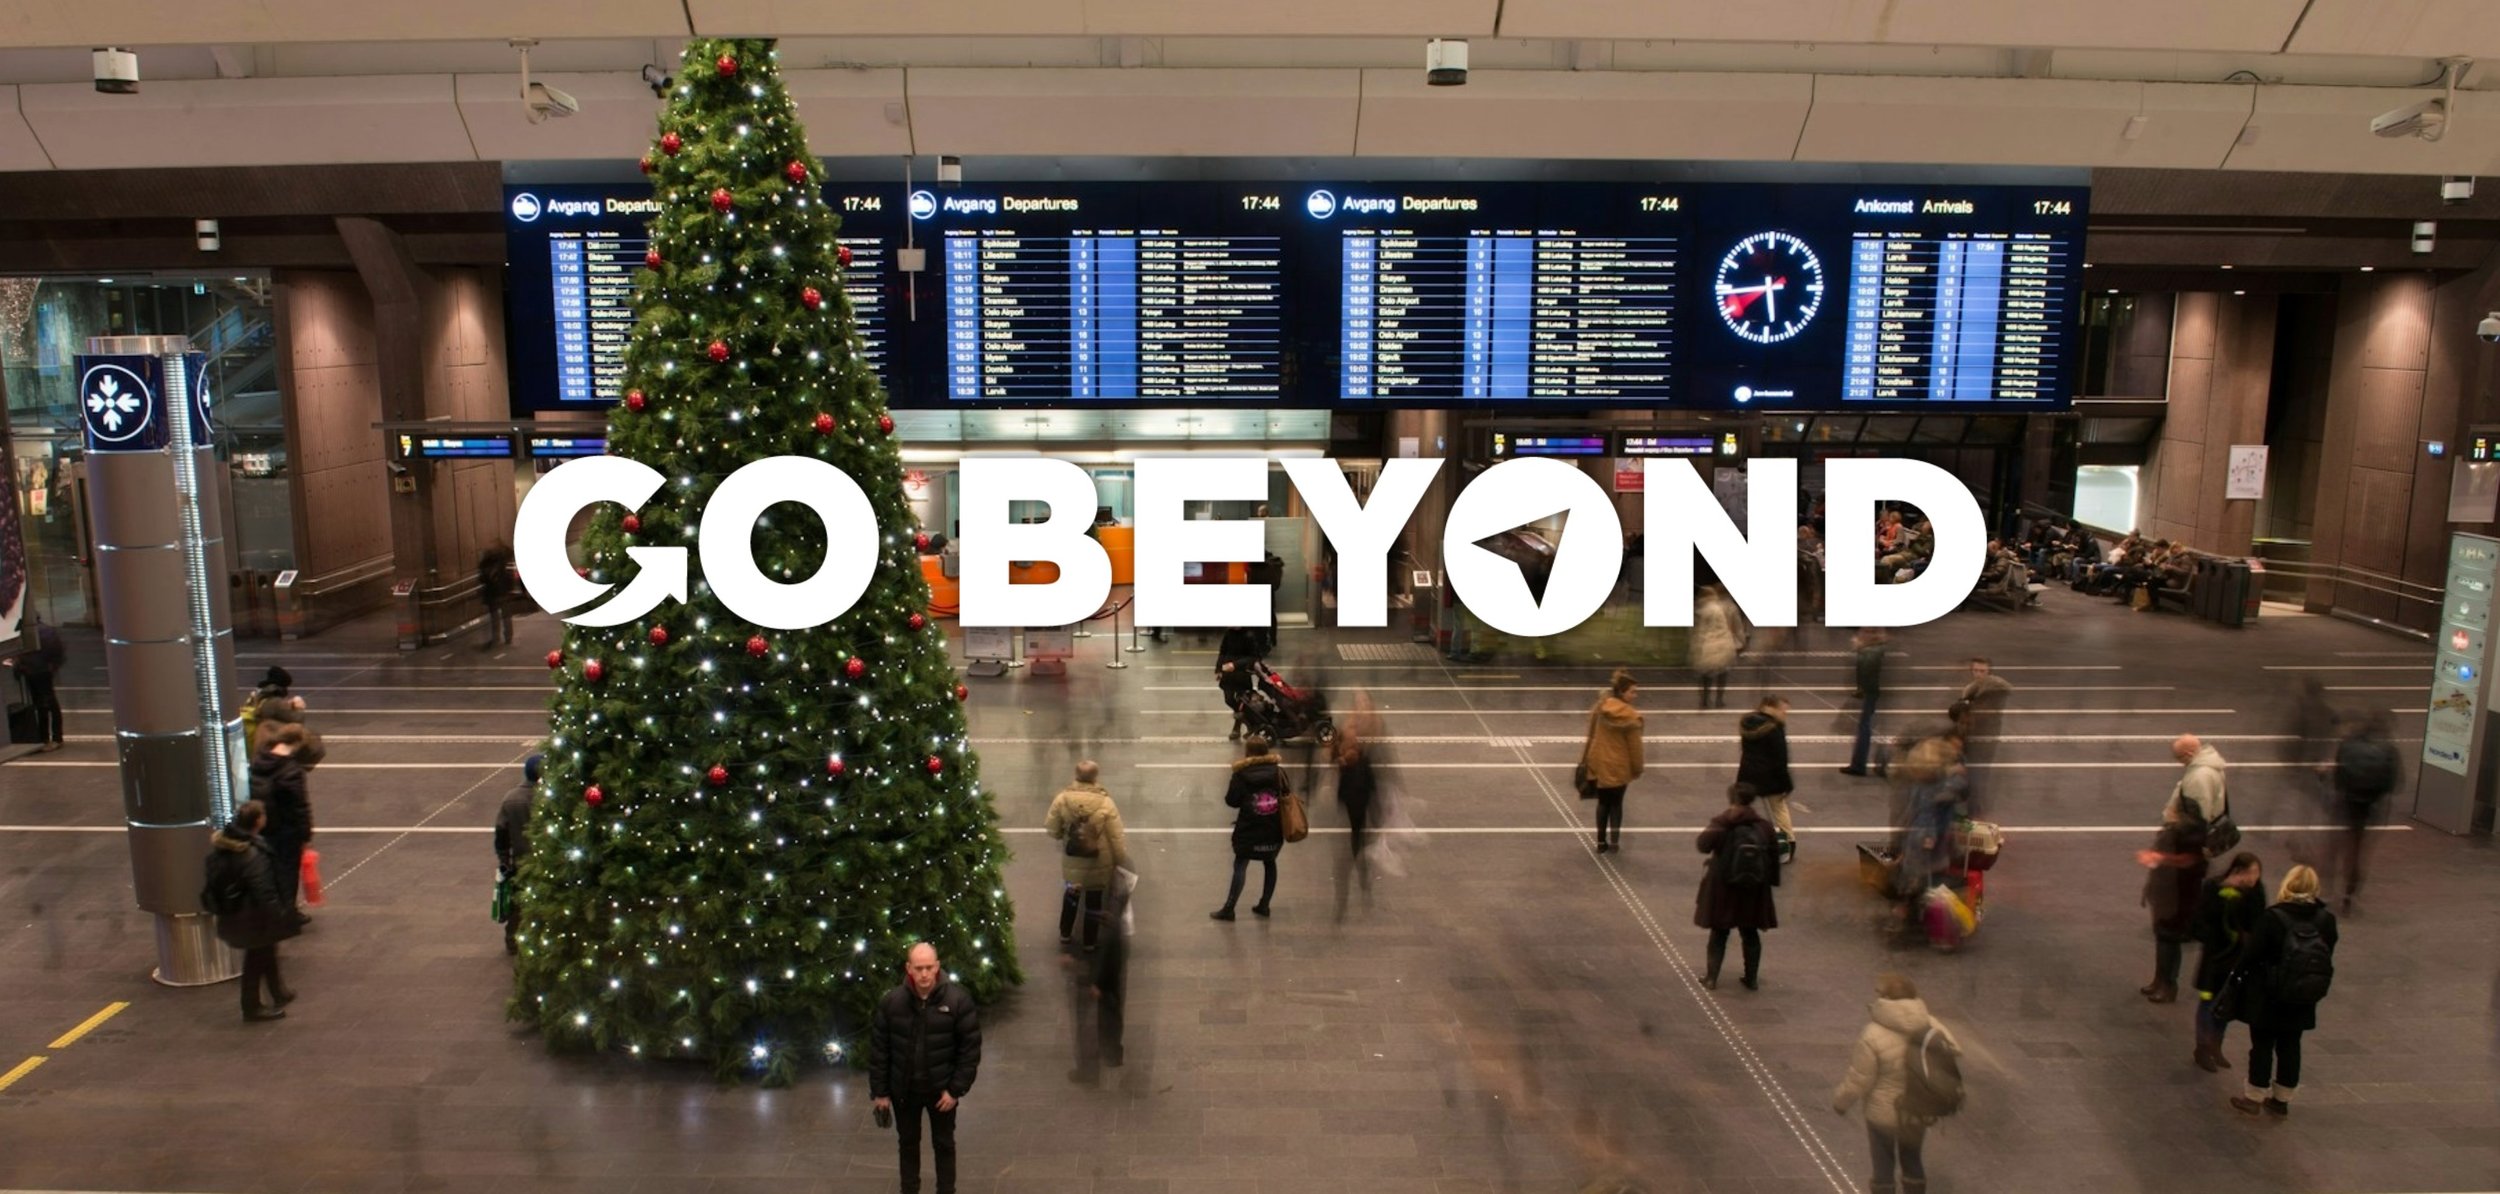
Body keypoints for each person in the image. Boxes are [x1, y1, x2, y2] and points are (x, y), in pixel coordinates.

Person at [869, 942, 983, 1194]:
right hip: (904, 1091)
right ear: (908, 968)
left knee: (944, 1144)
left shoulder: (958, 1002)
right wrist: (881, 1092)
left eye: (929, 967)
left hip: (941, 1093)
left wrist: (955, 1091)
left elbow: (970, 1051)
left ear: (938, 967)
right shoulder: (891, 1003)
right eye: (918, 968)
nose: (924, 974)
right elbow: (880, 1050)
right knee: (907, 1144)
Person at [1832, 973, 1959, 1194]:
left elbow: (1860, 1079)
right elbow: (1954, 1049)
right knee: (1912, 1159)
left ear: (1885, 1000)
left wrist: (1841, 1102)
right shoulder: (1928, 1023)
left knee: (1883, 1164)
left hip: (1882, 1113)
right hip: (1916, 1108)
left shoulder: (1872, 1034)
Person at [2228, 866, 2338, 1117]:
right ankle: (2282, 1099)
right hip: (2303, 993)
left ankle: (2254, 1095)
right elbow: (2327, 952)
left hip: (2269, 993)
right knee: (2291, 1043)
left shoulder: (2273, 917)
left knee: (2263, 1043)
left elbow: (2252, 954)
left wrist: (2237, 977)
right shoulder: (2325, 920)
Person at [201, 800, 302, 1022]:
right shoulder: (252, 855)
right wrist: (279, 916)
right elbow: (263, 890)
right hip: (252, 917)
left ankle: (278, 991)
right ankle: (251, 1006)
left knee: (266, 950)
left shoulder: (225, 847)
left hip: (235, 914)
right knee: (256, 959)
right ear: (258, 821)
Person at [1694, 783, 1781, 991]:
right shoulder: (1764, 827)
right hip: (1753, 890)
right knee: (1750, 934)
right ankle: (1751, 979)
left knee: (1719, 934)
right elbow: (1774, 858)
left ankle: (1712, 978)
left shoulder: (1723, 823)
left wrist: (1722, 821)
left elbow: (1702, 845)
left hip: (1724, 888)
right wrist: (1771, 883)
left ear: (1731, 799)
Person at [1043, 760, 1129, 952]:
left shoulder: (1062, 799)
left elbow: (1051, 828)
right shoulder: (1106, 802)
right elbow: (1116, 835)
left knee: (1071, 894)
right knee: (1094, 900)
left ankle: (1065, 933)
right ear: (1095, 778)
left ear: (1076, 775)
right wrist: (1120, 859)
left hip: (1072, 859)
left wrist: (1062, 836)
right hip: (1099, 860)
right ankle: (1089, 942)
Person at [2192, 852, 2264, 1073]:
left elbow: (2258, 920)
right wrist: (2226, 895)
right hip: (2214, 961)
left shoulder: (2255, 892)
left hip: (2237, 960)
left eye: (2257, 873)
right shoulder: (2213, 888)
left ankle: (2216, 1046)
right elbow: (2202, 919)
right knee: (2208, 1003)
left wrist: (2244, 895)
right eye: (2251, 872)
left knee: (2226, 1004)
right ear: (2237, 871)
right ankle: (2203, 1048)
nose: (2254, 877)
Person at [2136, 800, 2209, 1004]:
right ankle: (2160, 980)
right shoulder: (2184, 835)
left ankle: (2167, 984)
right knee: (2164, 939)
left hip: (2176, 898)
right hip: (2169, 895)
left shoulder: (2186, 837)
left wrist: (2158, 857)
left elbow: (2185, 862)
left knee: (2169, 939)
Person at [2328, 712, 2399, 911]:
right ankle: (2350, 892)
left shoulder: (2348, 744)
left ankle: (2329, 885)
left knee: (2340, 844)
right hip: (2371, 806)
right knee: (2359, 850)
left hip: (2348, 802)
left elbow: (2338, 775)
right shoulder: (2389, 750)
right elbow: (2393, 783)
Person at [1211, 735, 1287, 920]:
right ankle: (1264, 905)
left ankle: (1229, 908)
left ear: (1248, 753)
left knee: (1240, 864)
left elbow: (1232, 801)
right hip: (1273, 827)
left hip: (1248, 828)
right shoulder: (1278, 772)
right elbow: (1287, 794)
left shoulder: (1241, 774)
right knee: (1270, 862)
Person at [1579, 670, 1645, 853]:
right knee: (1616, 804)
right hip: (1620, 766)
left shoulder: (1600, 708)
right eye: (1632, 691)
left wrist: (1586, 758)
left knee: (1603, 803)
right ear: (1622, 692)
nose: (1635, 695)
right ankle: (1614, 841)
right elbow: (1635, 747)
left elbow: (1591, 735)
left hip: (1599, 762)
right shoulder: (1631, 717)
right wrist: (1638, 768)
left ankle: (1601, 842)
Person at [250, 722, 314, 910]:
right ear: (296, 743)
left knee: (266, 870)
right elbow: (299, 806)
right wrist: (306, 834)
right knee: (286, 873)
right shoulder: (291, 770)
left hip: (262, 826)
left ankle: (267, 909)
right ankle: (286, 912)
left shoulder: (259, 761)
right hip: (286, 830)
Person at [494, 755, 542, 954]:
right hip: (544, 858)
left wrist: (504, 858)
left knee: (518, 902)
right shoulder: (547, 798)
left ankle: (513, 939)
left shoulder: (511, 798)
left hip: (520, 859)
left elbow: (501, 832)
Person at [1736, 695, 1797, 839]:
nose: (1785, 715)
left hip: (1747, 774)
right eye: (1783, 711)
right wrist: (1787, 784)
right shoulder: (1775, 728)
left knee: (1741, 808)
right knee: (1779, 809)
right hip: (1770, 778)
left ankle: (1738, 838)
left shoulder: (1747, 723)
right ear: (1773, 708)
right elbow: (1780, 759)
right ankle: (1789, 842)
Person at [9, 612, 66, 751]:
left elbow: (22, 654)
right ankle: (53, 738)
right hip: (43, 671)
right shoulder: (47, 631)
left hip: (35, 672)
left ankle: (46, 738)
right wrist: (52, 667)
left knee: (43, 705)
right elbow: (58, 653)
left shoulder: (30, 633)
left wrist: (19, 668)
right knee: (48, 704)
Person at [1842, 628, 1889, 777]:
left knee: (1865, 728)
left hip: (1874, 694)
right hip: (1879, 693)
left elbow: (1866, 671)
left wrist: (1859, 649)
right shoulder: (1879, 649)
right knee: (1877, 728)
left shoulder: (1872, 652)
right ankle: (1879, 763)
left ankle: (1859, 764)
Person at [1690, 588, 1740, 710]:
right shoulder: (1724, 607)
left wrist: (1695, 645)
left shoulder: (1704, 609)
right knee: (1722, 673)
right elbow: (1734, 625)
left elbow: (1701, 630)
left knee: (1706, 674)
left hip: (1709, 644)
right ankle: (1719, 699)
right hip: (1724, 643)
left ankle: (1705, 699)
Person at [2165, 734, 2229, 827]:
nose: (2180, 762)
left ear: (2188, 754)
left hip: (2194, 835)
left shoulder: (2199, 777)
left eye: (2179, 757)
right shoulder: (2212, 766)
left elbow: (2199, 815)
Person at [1216, 626, 1265, 741]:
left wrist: (1235, 665)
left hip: (1241, 674)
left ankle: (1237, 728)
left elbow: (1253, 657)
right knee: (1229, 699)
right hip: (1228, 674)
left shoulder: (1249, 636)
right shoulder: (1228, 634)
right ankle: (1250, 721)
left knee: (1241, 701)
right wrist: (1218, 669)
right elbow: (1223, 651)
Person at [476, 544, 515, 649]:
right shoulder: (503, 564)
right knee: (506, 616)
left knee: (495, 617)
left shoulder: (485, 565)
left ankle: (496, 638)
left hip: (493, 595)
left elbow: (482, 579)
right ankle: (508, 637)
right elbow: (509, 579)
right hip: (503, 593)